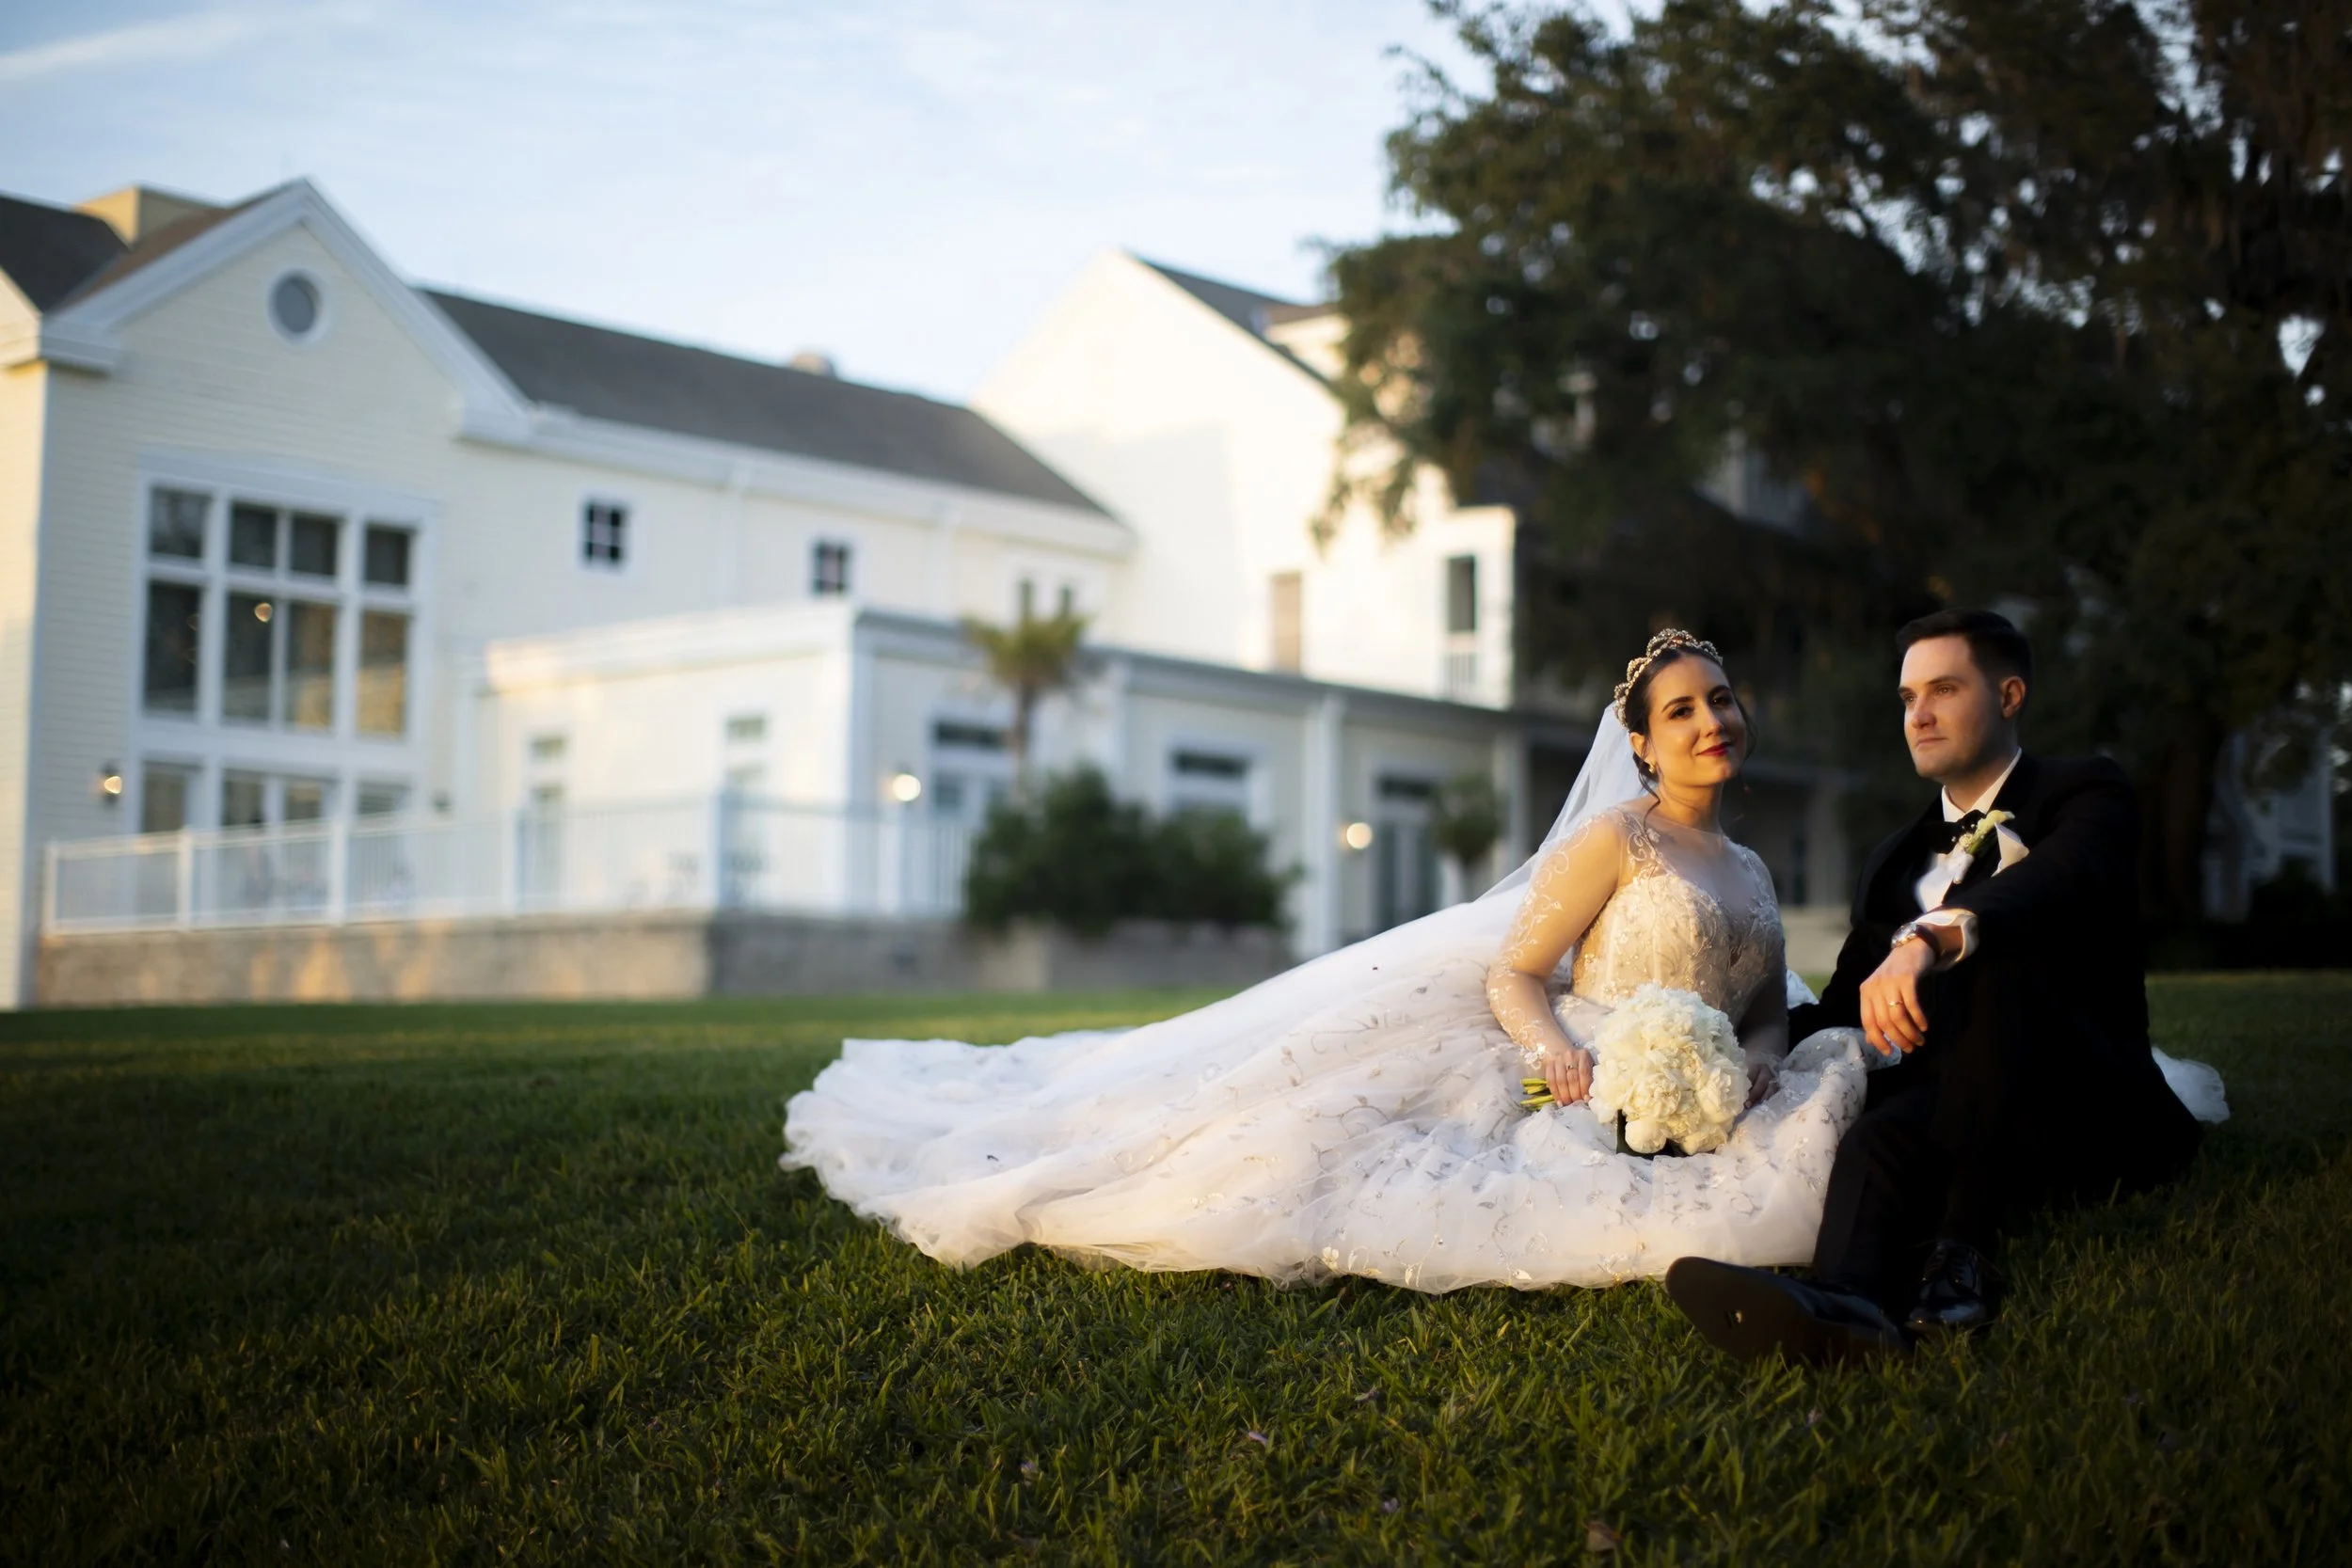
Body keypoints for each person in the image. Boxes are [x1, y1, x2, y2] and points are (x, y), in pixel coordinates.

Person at [781, 630, 1875, 1291]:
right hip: (1582, 1054)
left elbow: (1760, 999)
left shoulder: (1752, 866)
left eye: (1720, 700)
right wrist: (1561, 1051)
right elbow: (1514, 971)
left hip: (1702, 1071)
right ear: (1640, 741)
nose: (1708, 721)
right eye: (1680, 709)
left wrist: (1764, 1056)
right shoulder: (1616, 838)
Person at [1663, 610, 2227, 1363]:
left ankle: (1964, 1251)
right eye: (1906, 698)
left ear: (2010, 694)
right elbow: (1842, 1006)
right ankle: (1849, 1304)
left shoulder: (2086, 791)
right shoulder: (1895, 857)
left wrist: (1927, 937)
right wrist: (1708, 1045)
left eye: (1944, 689)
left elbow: (2056, 883)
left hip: (2080, 1097)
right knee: (1877, 1136)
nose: (1919, 714)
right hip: (1953, 1101)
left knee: (1995, 961)